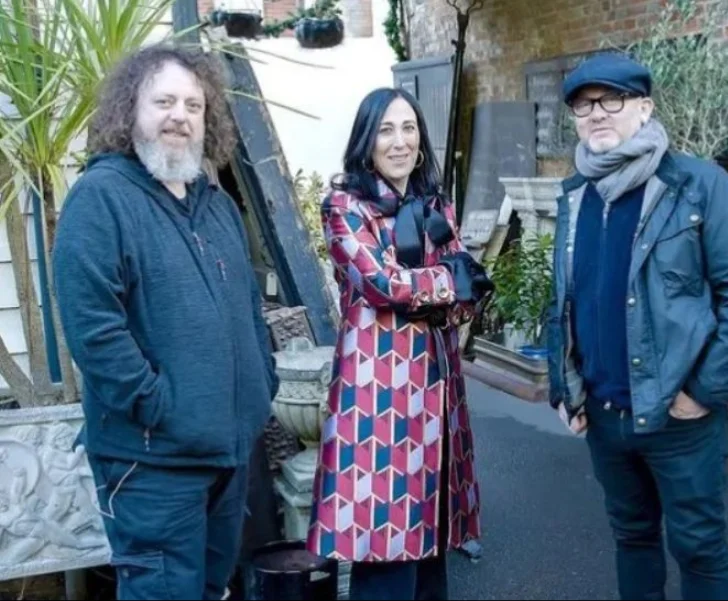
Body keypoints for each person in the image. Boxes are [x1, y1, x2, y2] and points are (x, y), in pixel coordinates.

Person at [545, 51, 728, 601]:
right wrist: (565, 387)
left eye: (611, 100)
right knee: (632, 538)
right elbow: (564, 298)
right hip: (605, 415)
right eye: (583, 105)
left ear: (645, 108)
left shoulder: (697, 185)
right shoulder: (577, 194)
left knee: (700, 548)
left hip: (679, 417)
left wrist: (704, 390)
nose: (596, 114)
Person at [52, 43, 279, 600]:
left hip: (228, 456)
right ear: (130, 109)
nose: (180, 116)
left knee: (212, 589)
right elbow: (94, 329)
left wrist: (262, 382)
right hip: (152, 464)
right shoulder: (100, 199)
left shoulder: (218, 206)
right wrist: (159, 405)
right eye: (164, 102)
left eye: (193, 105)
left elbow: (250, 308)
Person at [305, 87, 493, 600]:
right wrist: (450, 282)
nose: (399, 141)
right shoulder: (345, 206)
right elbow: (382, 284)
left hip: (438, 389)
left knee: (431, 550)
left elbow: (467, 294)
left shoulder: (435, 206)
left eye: (409, 128)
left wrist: (451, 290)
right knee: (386, 547)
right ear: (367, 141)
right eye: (386, 130)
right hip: (379, 400)